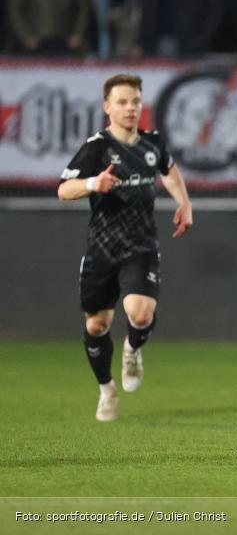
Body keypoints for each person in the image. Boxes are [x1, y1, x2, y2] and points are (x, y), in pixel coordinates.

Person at [57, 74, 193, 422]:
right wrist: (93, 182)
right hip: (102, 249)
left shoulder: (152, 143)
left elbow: (171, 172)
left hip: (140, 245)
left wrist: (184, 204)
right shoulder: (96, 147)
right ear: (107, 107)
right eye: (122, 101)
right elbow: (63, 190)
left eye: (135, 101)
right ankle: (107, 390)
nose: (130, 108)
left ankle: (132, 349)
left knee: (140, 313)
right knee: (97, 327)